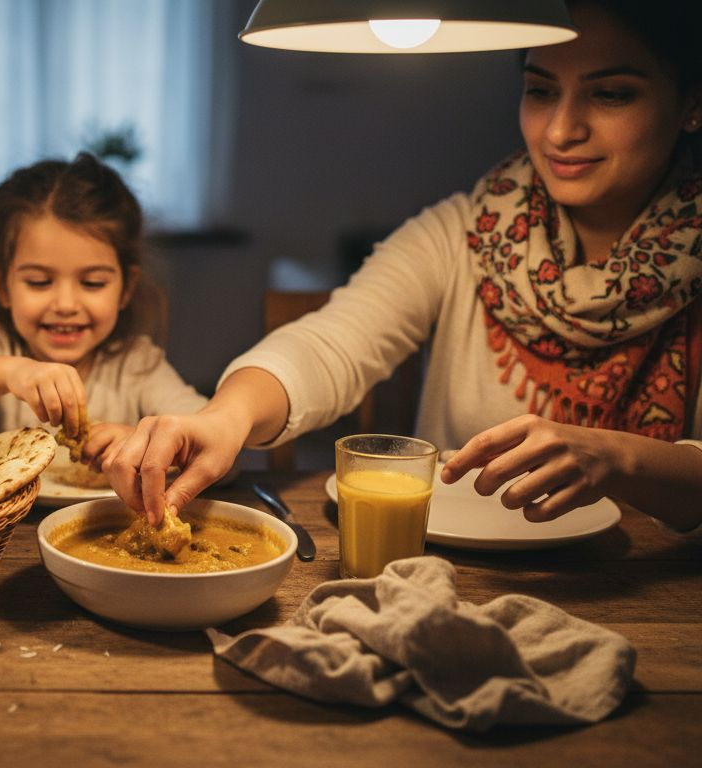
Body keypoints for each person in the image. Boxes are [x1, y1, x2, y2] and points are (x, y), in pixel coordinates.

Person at [103, 0, 702, 534]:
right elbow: (332, 343)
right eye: (540, 91)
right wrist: (226, 417)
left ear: (691, 104)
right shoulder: (469, 231)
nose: (562, 130)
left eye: (612, 94)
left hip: (655, 594)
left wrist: (620, 458)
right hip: (441, 573)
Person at [0, 153, 207, 465]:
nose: (65, 305)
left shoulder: (137, 364)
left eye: (93, 283)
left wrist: (144, 444)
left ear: (126, 288)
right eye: (39, 282)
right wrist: (11, 372)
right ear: (2, 285)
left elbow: (214, 443)